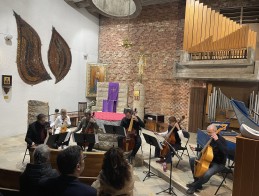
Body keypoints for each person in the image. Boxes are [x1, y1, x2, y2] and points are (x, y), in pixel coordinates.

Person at [186, 124, 227, 195]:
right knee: (192, 160)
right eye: (208, 132)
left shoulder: (221, 140)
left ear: (215, 131)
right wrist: (196, 148)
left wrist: (217, 139)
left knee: (207, 174)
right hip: (209, 160)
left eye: (210, 132)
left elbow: (224, 152)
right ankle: (197, 182)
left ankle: (194, 186)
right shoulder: (211, 139)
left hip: (219, 164)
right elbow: (206, 149)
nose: (208, 134)